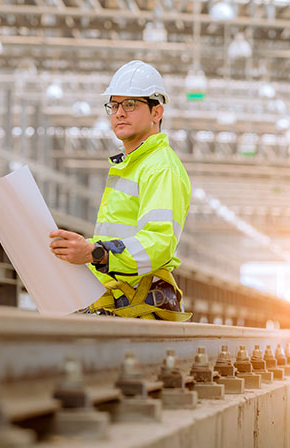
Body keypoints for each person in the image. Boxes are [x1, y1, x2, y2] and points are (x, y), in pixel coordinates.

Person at [48, 60, 191, 321]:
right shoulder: (132, 165)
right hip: (123, 303)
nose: (119, 113)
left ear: (156, 112)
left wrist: (95, 253)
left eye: (130, 104)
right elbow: (122, 236)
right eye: (114, 105)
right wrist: (83, 248)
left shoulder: (161, 167)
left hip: (139, 306)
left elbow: (158, 243)